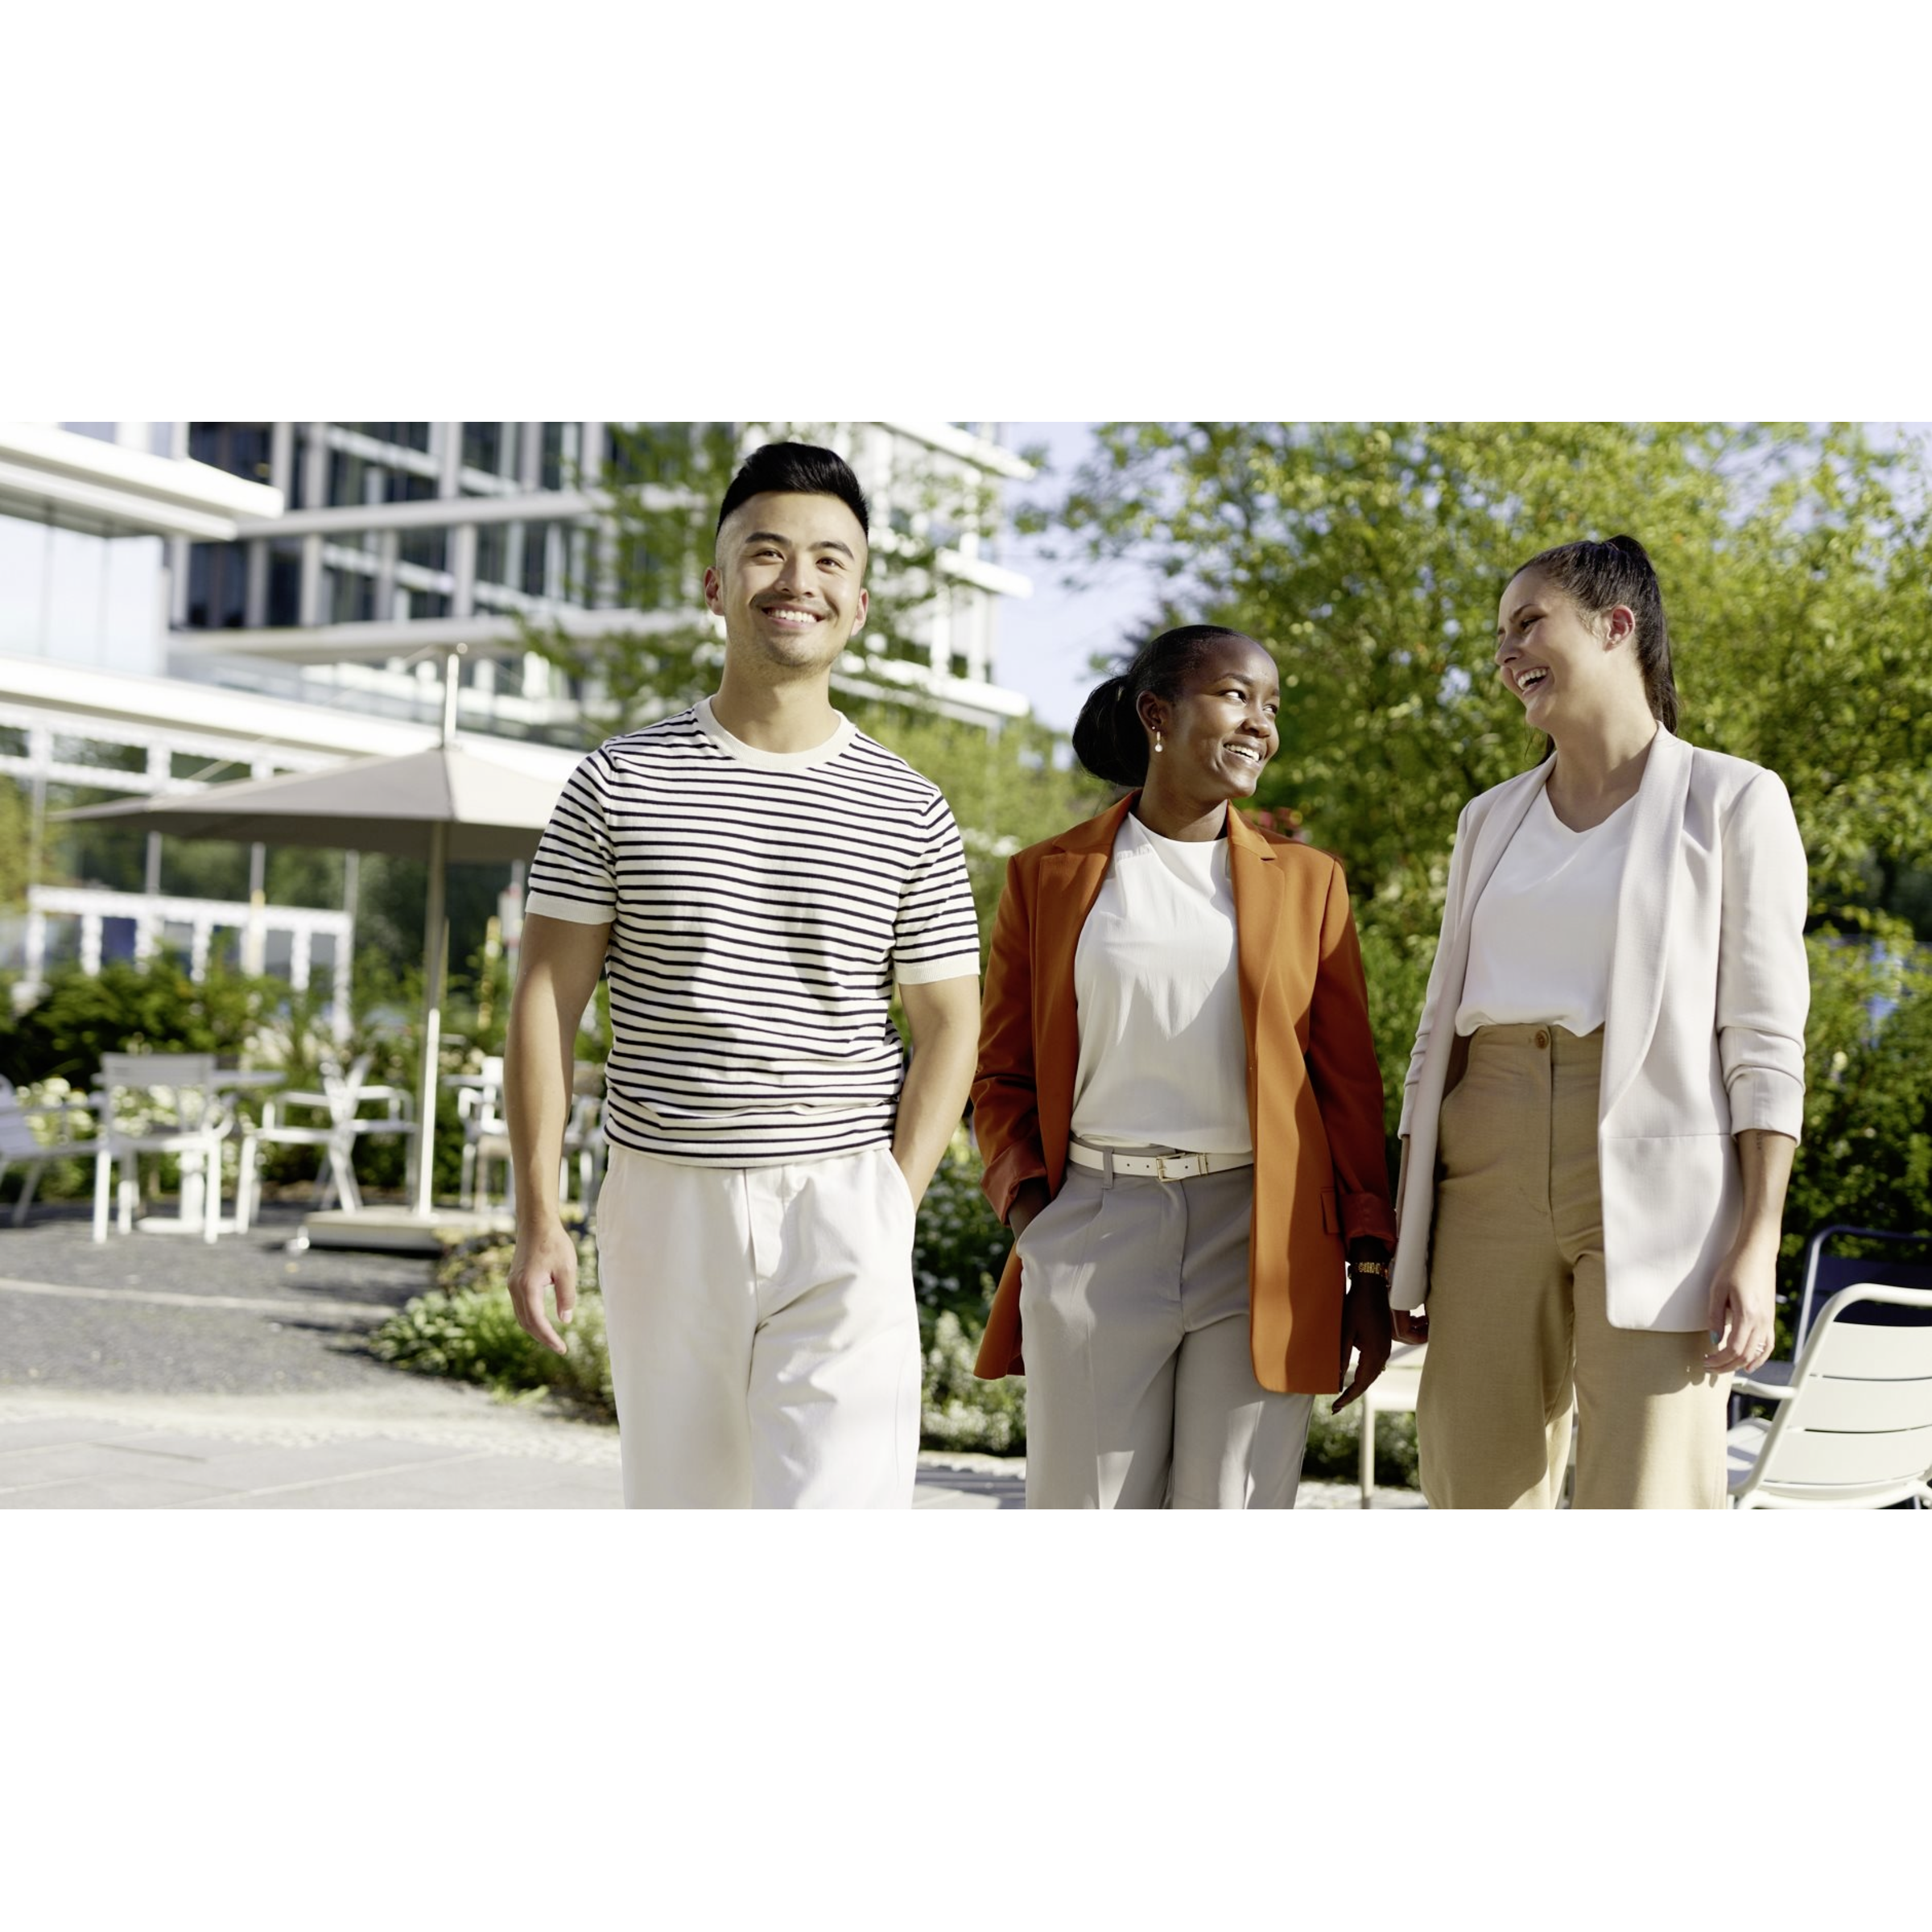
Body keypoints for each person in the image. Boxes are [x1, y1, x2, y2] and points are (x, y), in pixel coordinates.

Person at [503, 441, 981, 1509]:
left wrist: (892, 1200)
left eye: (825, 560)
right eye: (765, 553)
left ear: (859, 602)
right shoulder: (616, 782)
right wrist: (539, 1213)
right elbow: (546, 1003)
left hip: (845, 1196)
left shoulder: (911, 807)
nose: (795, 581)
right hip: (665, 1202)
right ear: (716, 586)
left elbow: (952, 1021)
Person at [1393, 535, 1809, 1509]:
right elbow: (1436, 1032)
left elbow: (1763, 1038)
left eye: (1528, 622)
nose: (1506, 653)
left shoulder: (1733, 799)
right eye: (1500, 635)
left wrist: (1759, 1239)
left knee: (1649, 1482)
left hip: (1662, 1168)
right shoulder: (1487, 819)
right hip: (1485, 1153)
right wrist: (1410, 1224)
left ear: (1617, 627)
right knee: (1475, 1475)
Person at [972, 625, 1397, 1509]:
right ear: (1158, 714)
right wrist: (1033, 1216)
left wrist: (1368, 1271)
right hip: (1094, 1223)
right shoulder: (1046, 878)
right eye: (1238, 696)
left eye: (1272, 707)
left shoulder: (1312, 886)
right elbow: (1001, 1074)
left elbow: (1349, 1091)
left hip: (1264, 1239)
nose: (1262, 725)